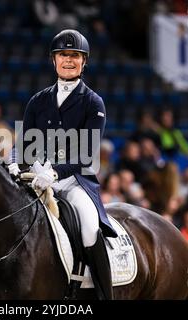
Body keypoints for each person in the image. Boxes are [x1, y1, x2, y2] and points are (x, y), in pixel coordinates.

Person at [8, 29, 116, 299]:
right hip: (36, 176)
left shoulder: (93, 102)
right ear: (53, 60)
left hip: (74, 181)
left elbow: (87, 155)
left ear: (84, 62)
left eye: (75, 56)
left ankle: (104, 294)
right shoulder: (38, 100)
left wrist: (55, 173)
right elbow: (23, 143)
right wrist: (12, 163)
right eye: (63, 55)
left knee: (90, 228)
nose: (69, 60)